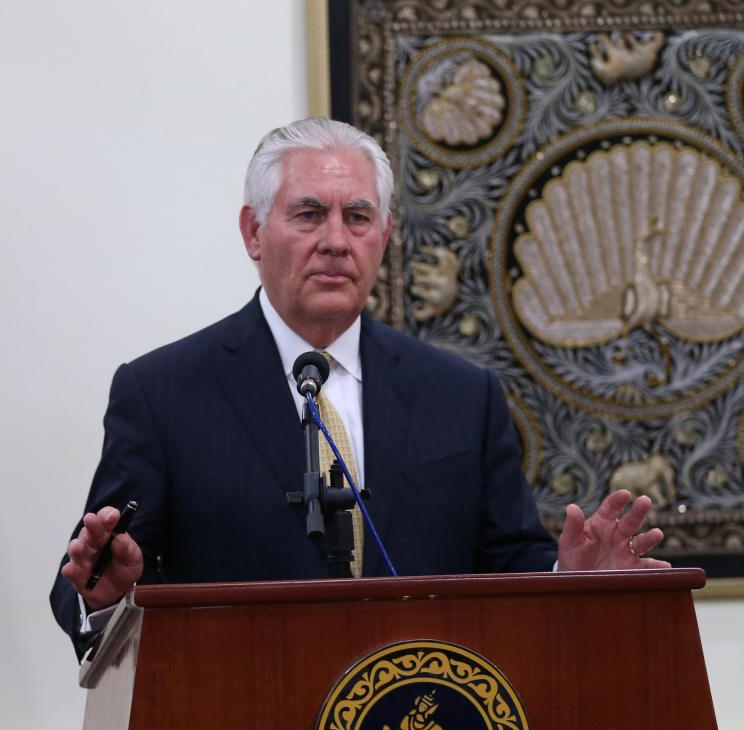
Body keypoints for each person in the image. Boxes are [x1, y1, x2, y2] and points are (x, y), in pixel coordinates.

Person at [51, 116, 669, 660]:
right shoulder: (163, 393)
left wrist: (573, 578)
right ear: (253, 233)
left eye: (358, 217)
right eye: (309, 214)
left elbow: (509, 569)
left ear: (385, 234)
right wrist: (110, 600)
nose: (336, 241)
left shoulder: (462, 396)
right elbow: (91, 576)